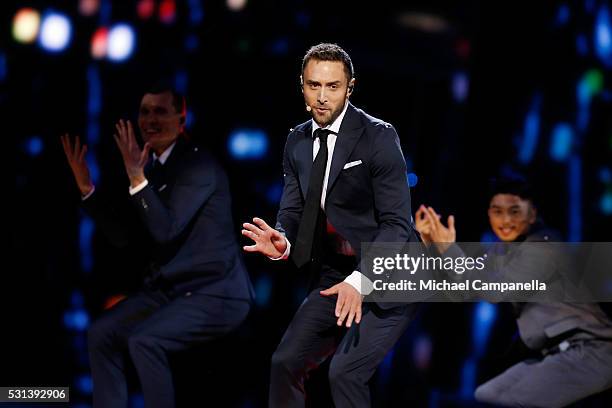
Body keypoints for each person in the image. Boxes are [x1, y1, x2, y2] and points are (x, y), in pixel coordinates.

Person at [242, 43, 419, 407]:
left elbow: (397, 225)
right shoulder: (296, 140)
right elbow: (292, 211)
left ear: (350, 88)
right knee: (284, 362)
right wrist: (285, 242)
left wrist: (361, 280)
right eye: (314, 85)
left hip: (391, 271)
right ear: (302, 86)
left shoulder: (378, 137)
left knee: (346, 372)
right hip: (335, 273)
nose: (322, 97)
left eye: (333, 86)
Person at [61, 85, 254, 408]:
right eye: (145, 112)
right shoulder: (150, 167)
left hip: (215, 293)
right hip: (169, 291)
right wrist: (87, 190)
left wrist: (137, 177)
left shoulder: (198, 165)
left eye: (160, 111)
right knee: (101, 333)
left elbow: (165, 230)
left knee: (144, 340)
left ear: (182, 117)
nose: (150, 119)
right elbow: (123, 237)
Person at [416, 176, 612, 407]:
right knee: (486, 396)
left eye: (515, 212)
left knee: (510, 401)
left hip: (591, 352)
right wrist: (432, 243)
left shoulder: (543, 248)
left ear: (532, 215)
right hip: (553, 354)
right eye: (497, 212)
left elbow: (493, 290)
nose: (505, 220)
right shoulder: (503, 250)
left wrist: (448, 249)